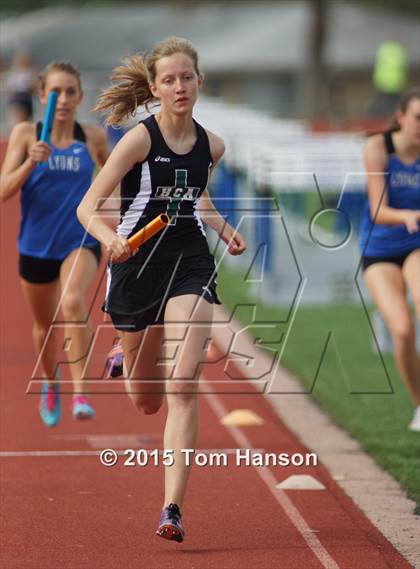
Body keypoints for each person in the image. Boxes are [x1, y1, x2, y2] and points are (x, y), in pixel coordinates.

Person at [77, 37, 246, 542]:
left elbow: (196, 200)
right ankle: (123, 356)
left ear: (199, 82)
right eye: (169, 79)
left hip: (189, 262)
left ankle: (171, 507)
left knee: (182, 383)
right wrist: (111, 239)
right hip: (135, 267)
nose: (179, 86)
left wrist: (221, 228)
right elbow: (88, 205)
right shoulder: (137, 141)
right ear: (154, 87)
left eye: (187, 78)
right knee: (146, 400)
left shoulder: (212, 145)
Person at [0, 61, 109, 427]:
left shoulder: (92, 137)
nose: (62, 99)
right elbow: (3, 192)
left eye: (70, 92)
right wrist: (31, 163)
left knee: (74, 301)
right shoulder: (26, 135)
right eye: (55, 92)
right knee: (43, 327)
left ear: (80, 96)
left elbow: (114, 176)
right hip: (35, 245)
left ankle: (81, 392)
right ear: (41, 95)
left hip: (79, 238)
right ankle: (51, 382)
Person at [359, 87, 420, 431]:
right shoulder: (378, 148)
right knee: (402, 331)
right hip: (380, 250)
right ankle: (419, 405)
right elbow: (378, 210)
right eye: (418, 118)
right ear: (400, 118)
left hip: (417, 245)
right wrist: (409, 215)